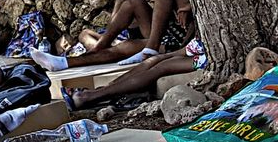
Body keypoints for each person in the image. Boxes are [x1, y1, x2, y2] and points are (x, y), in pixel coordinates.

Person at [30, 0, 194, 72]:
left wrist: (185, 8)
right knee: (132, 1)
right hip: (160, 35)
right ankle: (101, 46)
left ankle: (65, 63)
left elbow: (192, 34)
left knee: (124, 47)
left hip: (173, 43)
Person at [61, 38, 209, 111]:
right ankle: (101, 91)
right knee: (154, 61)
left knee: (162, 66)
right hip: (200, 51)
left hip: (205, 58)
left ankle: (96, 95)